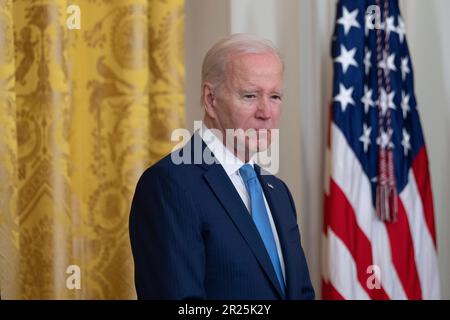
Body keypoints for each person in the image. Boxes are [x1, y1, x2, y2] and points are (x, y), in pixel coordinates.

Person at [129, 33, 314, 300]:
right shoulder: (169, 184)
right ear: (210, 99)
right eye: (250, 96)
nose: (266, 112)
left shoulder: (278, 192)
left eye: (275, 96)